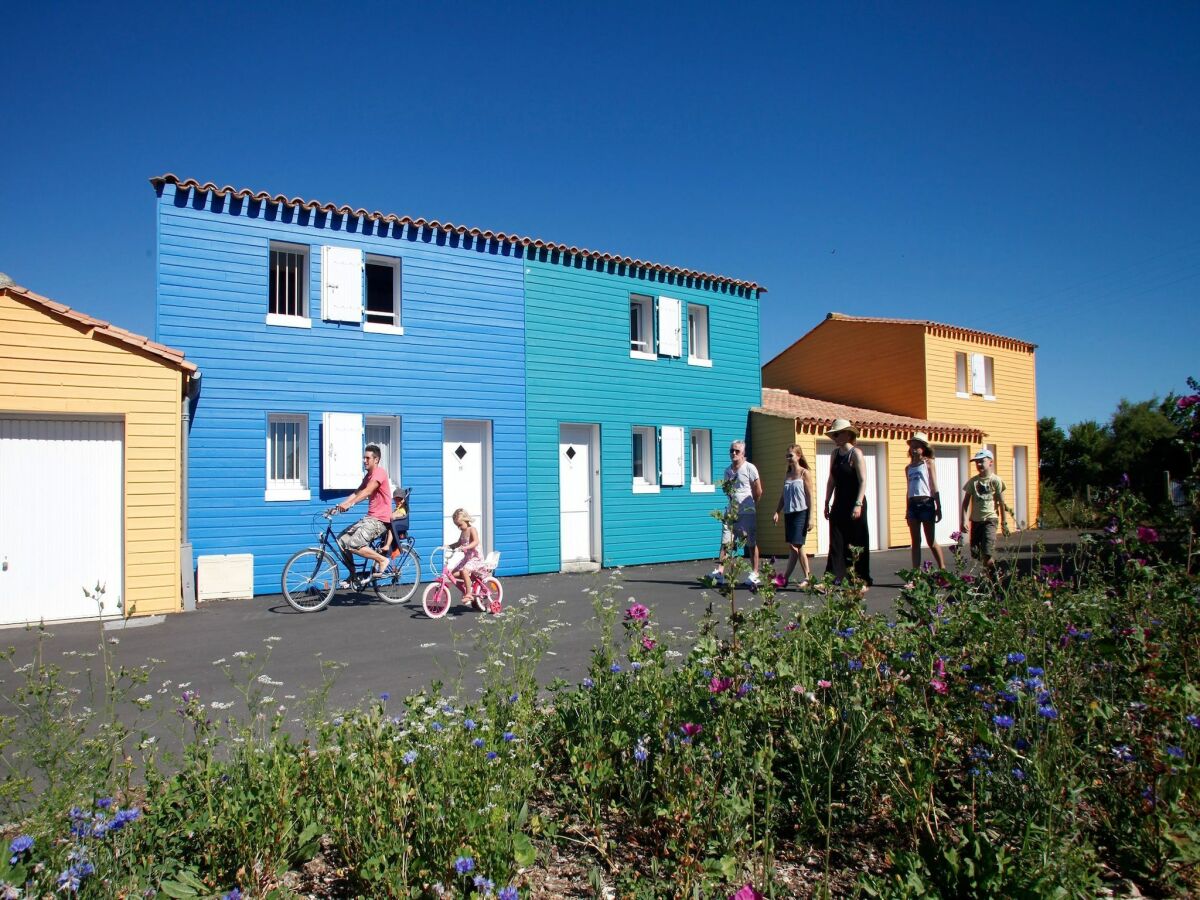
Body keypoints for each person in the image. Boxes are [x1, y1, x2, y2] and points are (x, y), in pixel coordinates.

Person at [822, 419, 872, 589]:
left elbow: (863, 480)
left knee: (858, 540)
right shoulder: (835, 454)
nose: (835, 437)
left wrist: (858, 504)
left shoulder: (856, 454)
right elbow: (831, 479)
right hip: (839, 502)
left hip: (854, 502)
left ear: (847, 434)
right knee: (836, 540)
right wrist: (826, 500)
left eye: (837, 433)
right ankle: (831, 579)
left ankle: (861, 579)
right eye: (833, 434)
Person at [335, 444, 392, 577]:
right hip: (370, 518)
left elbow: (367, 491)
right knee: (342, 539)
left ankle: (382, 560)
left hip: (380, 520)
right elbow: (357, 492)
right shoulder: (368, 476)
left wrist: (350, 504)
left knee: (354, 544)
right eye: (364, 458)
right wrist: (339, 506)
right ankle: (353, 575)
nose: (364, 461)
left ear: (376, 459)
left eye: (367, 458)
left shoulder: (380, 473)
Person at [713, 440, 763, 586]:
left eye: (737, 451)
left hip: (747, 511)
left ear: (743, 453)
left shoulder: (750, 468)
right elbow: (727, 490)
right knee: (726, 541)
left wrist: (752, 505)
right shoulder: (727, 471)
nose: (733, 453)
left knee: (750, 542)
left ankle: (755, 573)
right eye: (731, 451)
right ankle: (720, 572)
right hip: (731, 511)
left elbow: (758, 490)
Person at [772, 444, 813, 587]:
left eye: (791, 455)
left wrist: (810, 517)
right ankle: (808, 578)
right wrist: (777, 511)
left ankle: (785, 578)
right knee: (798, 546)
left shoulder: (804, 473)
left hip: (801, 513)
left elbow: (810, 497)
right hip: (789, 513)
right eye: (787, 456)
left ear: (798, 456)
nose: (788, 458)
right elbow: (783, 496)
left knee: (795, 546)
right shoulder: (788, 474)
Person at [905, 432, 946, 572]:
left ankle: (942, 569)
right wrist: (907, 509)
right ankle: (915, 574)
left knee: (931, 540)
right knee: (915, 541)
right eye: (912, 446)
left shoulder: (928, 463)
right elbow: (908, 489)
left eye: (917, 446)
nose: (914, 449)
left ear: (924, 448)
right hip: (913, 505)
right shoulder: (908, 468)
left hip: (926, 503)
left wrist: (938, 506)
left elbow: (934, 485)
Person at [961, 448, 1006, 574]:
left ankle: (993, 580)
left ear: (990, 462)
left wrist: (1004, 523)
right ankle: (987, 577)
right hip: (976, 521)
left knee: (987, 552)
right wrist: (963, 520)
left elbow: (1001, 502)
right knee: (976, 553)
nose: (979, 464)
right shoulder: (973, 482)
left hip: (990, 520)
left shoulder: (996, 480)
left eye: (982, 461)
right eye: (977, 462)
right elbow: (965, 503)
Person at [447, 508, 485, 606]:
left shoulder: (472, 529)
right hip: (467, 559)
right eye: (457, 526)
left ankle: (469, 594)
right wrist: (448, 546)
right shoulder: (463, 532)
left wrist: (466, 547)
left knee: (464, 571)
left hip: (475, 558)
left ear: (466, 520)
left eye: (460, 525)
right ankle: (467, 583)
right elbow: (459, 543)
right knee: (453, 573)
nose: (459, 527)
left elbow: (476, 541)